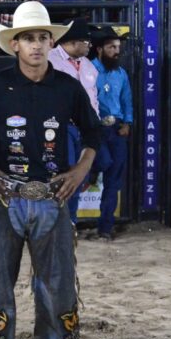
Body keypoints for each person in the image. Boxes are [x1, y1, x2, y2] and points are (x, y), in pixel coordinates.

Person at [0, 1, 100, 339]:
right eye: (29, 38)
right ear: (15, 45)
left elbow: (94, 133)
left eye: (43, 38)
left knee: (55, 292)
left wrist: (79, 171)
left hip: (52, 201)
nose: (37, 45)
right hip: (6, 200)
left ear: (50, 42)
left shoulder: (67, 87)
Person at [48, 17, 99, 225]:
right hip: (60, 125)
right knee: (64, 172)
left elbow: (93, 97)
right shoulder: (50, 59)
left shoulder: (88, 66)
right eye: (86, 42)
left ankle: (71, 221)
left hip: (84, 126)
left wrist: (94, 123)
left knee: (79, 174)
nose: (89, 45)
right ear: (73, 42)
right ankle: (61, 221)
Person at [90, 26, 132, 241]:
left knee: (113, 180)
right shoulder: (88, 70)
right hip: (96, 130)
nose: (116, 51)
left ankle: (105, 228)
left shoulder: (121, 73)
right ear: (99, 49)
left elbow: (127, 100)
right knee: (103, 163)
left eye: (118, 47)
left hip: (116, 128)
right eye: (111, 47)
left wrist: (128, 123)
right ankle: (90, 173)